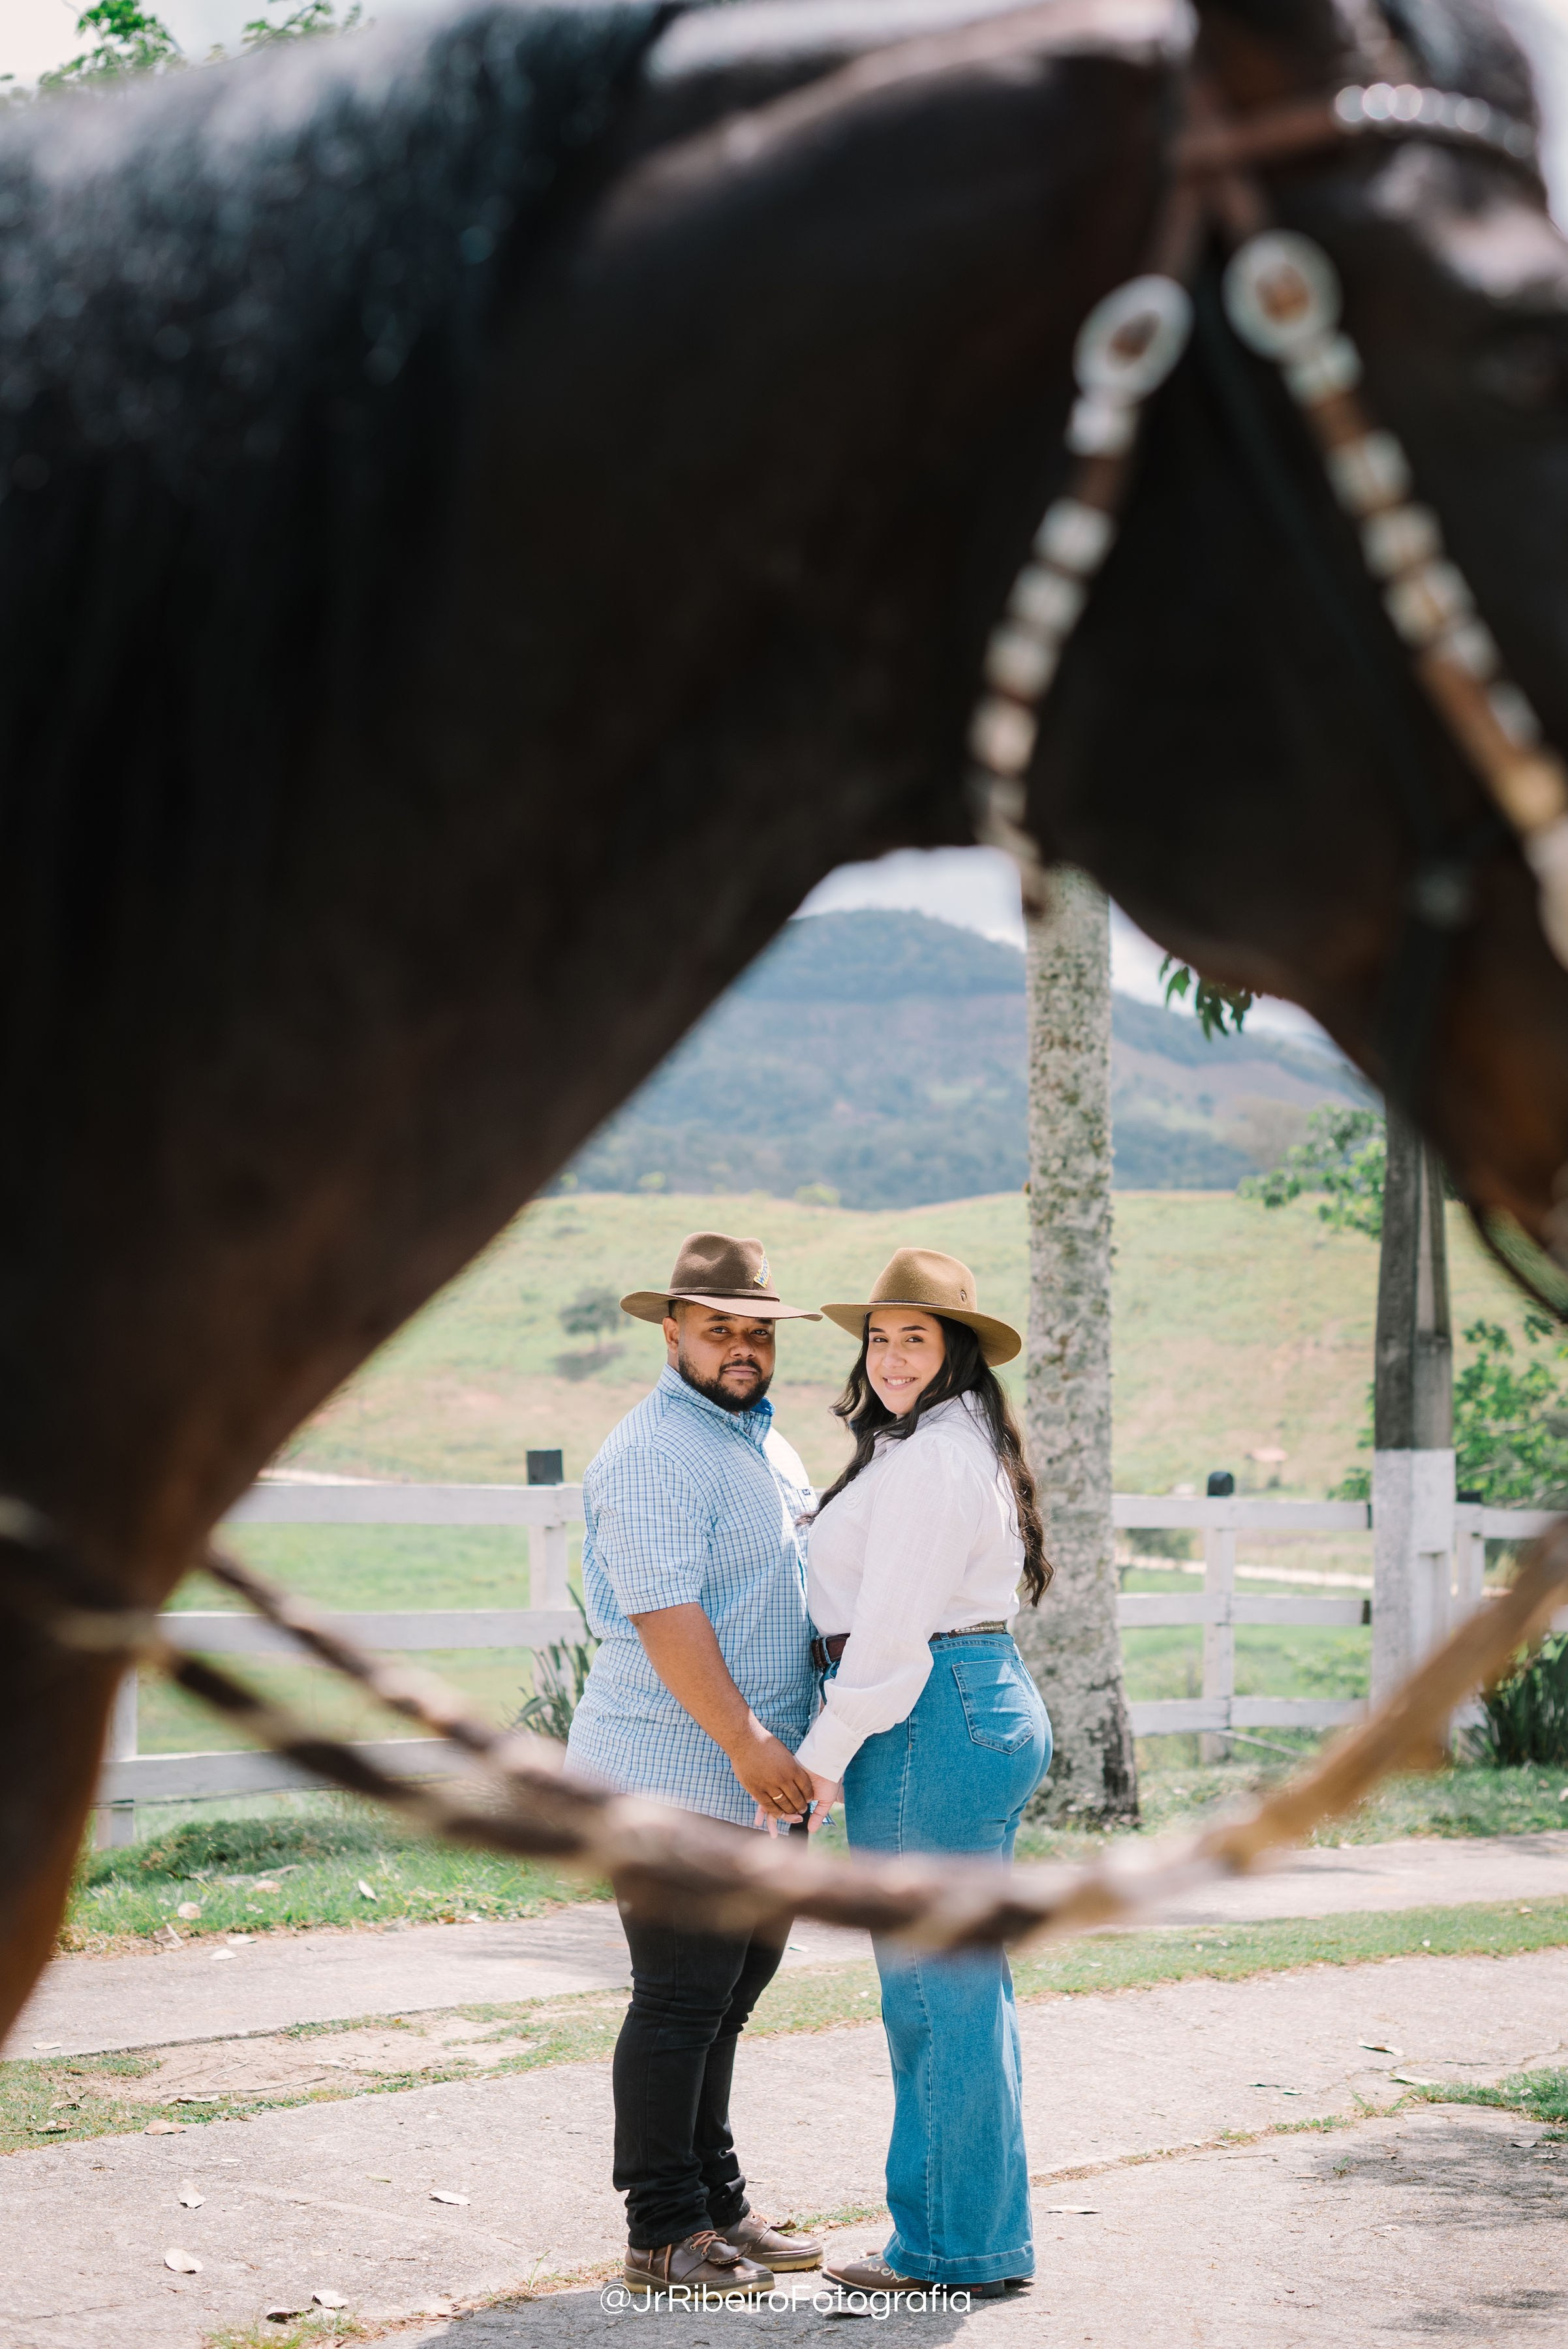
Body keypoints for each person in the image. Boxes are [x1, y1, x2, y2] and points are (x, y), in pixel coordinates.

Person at [565, 1231, 827, 2297]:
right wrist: (749, 1744)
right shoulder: (652, 1453)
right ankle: (661, 2233)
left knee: (730, 1994)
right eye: (719, 1328)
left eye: (757, 1332)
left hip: (762, 1788)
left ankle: (717, 2204)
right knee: (679, 1998)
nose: (742, 1348)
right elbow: (666, 1616)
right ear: (671, 1332)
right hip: (672, 1774)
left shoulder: (769, 1446)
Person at [794, 1246, 1053, 2297]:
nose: (894, 1357)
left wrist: (817, 1766)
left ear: (956, 1353)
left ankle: (950, 2248)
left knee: (933, 1994)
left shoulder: (939, 1458)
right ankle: (979, 2237)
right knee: (962, 1984)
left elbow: (891, 1638)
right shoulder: (943, 1443)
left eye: (917, 1337)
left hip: (925, 1717)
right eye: (882, 1337)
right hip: (963, 1702)